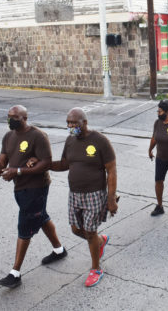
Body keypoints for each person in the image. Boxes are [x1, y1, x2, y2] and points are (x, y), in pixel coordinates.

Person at [0, 104, 66, 289]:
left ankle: (15, 273)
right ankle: (59, 250)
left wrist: (17, 171)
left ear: (24, 118)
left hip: (36, 188)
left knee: (24, 226)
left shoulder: (38, 136)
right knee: (41, 217)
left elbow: (46, 163)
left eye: (14, 117)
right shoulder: (8, 136)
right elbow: (1, 162)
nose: (10, 120)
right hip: (20, 190)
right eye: (8, 116)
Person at [47, 108, 117, 288]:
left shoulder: (100, 141)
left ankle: (96, 269)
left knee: (90, 232)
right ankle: (100, 242)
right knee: (76, 229)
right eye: (68, 123)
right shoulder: (70, 140)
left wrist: (111, 199)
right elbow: (64, 164)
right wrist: (43, 165)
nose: (70, 126)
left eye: (74, 123)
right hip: (74, 194)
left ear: (84, 123)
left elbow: (111, 170)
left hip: (94, 194)